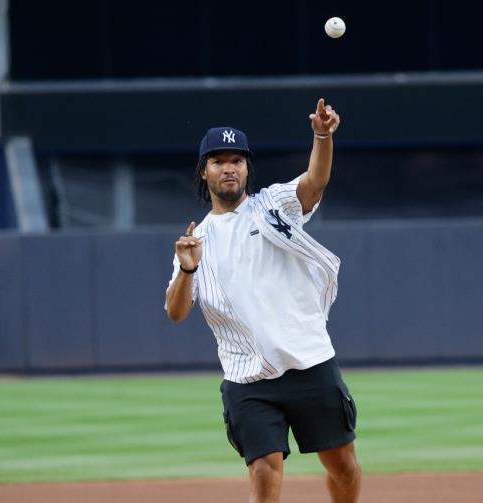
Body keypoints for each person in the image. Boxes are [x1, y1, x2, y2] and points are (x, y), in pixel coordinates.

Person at [165, 98, 361, 503]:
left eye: (237, 159)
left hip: (308, 361)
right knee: (263, 470)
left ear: (247, 168)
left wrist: (322, 136)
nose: (229, 168)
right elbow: (176, 312)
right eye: (219, 161)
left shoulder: (272, 206)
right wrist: (186, 270)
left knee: (343, 467)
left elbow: (314, 182)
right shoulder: (194, 242)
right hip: (247, 378)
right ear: (205, 171)